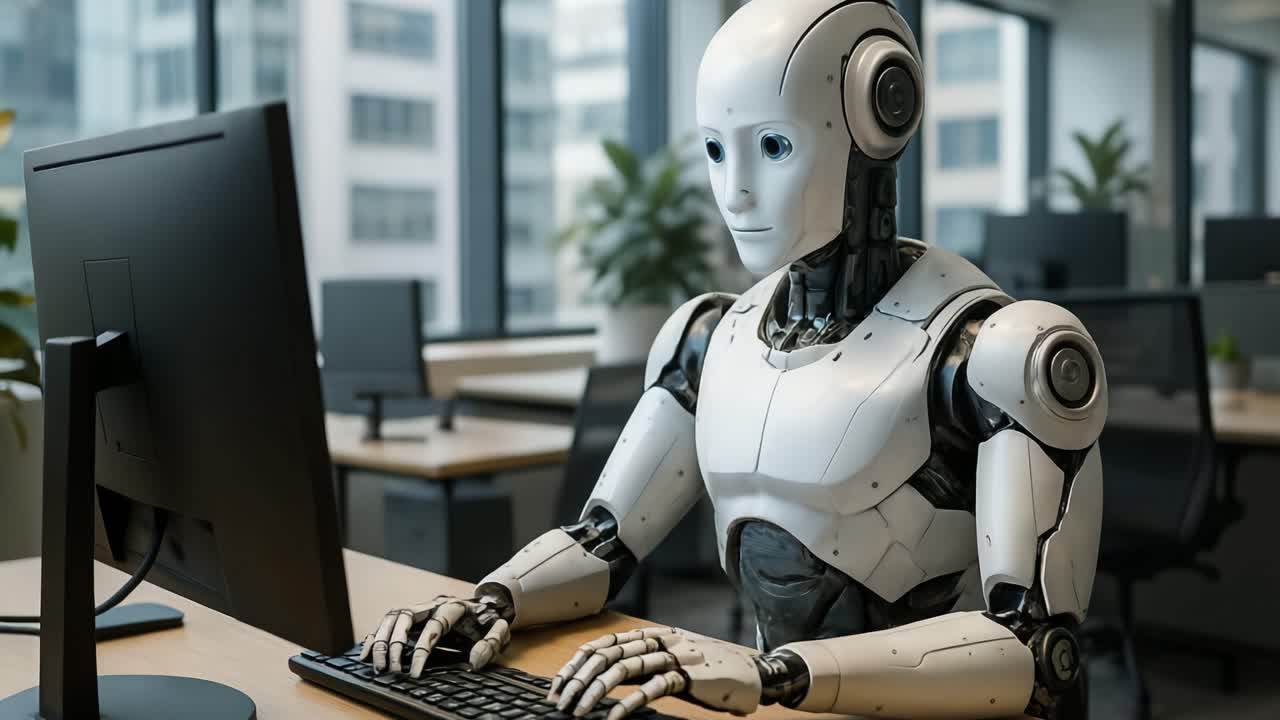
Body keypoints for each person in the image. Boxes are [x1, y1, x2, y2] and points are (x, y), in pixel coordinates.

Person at [362, 1, 1105, 718]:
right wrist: (493, 600)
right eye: (717, 151)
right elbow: (605, 542)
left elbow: (1037, 651)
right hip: (780, 702)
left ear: (882, 115)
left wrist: (776, 676)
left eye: (774, 147)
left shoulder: (987, 353)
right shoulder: (712, 336)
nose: (736, 192)